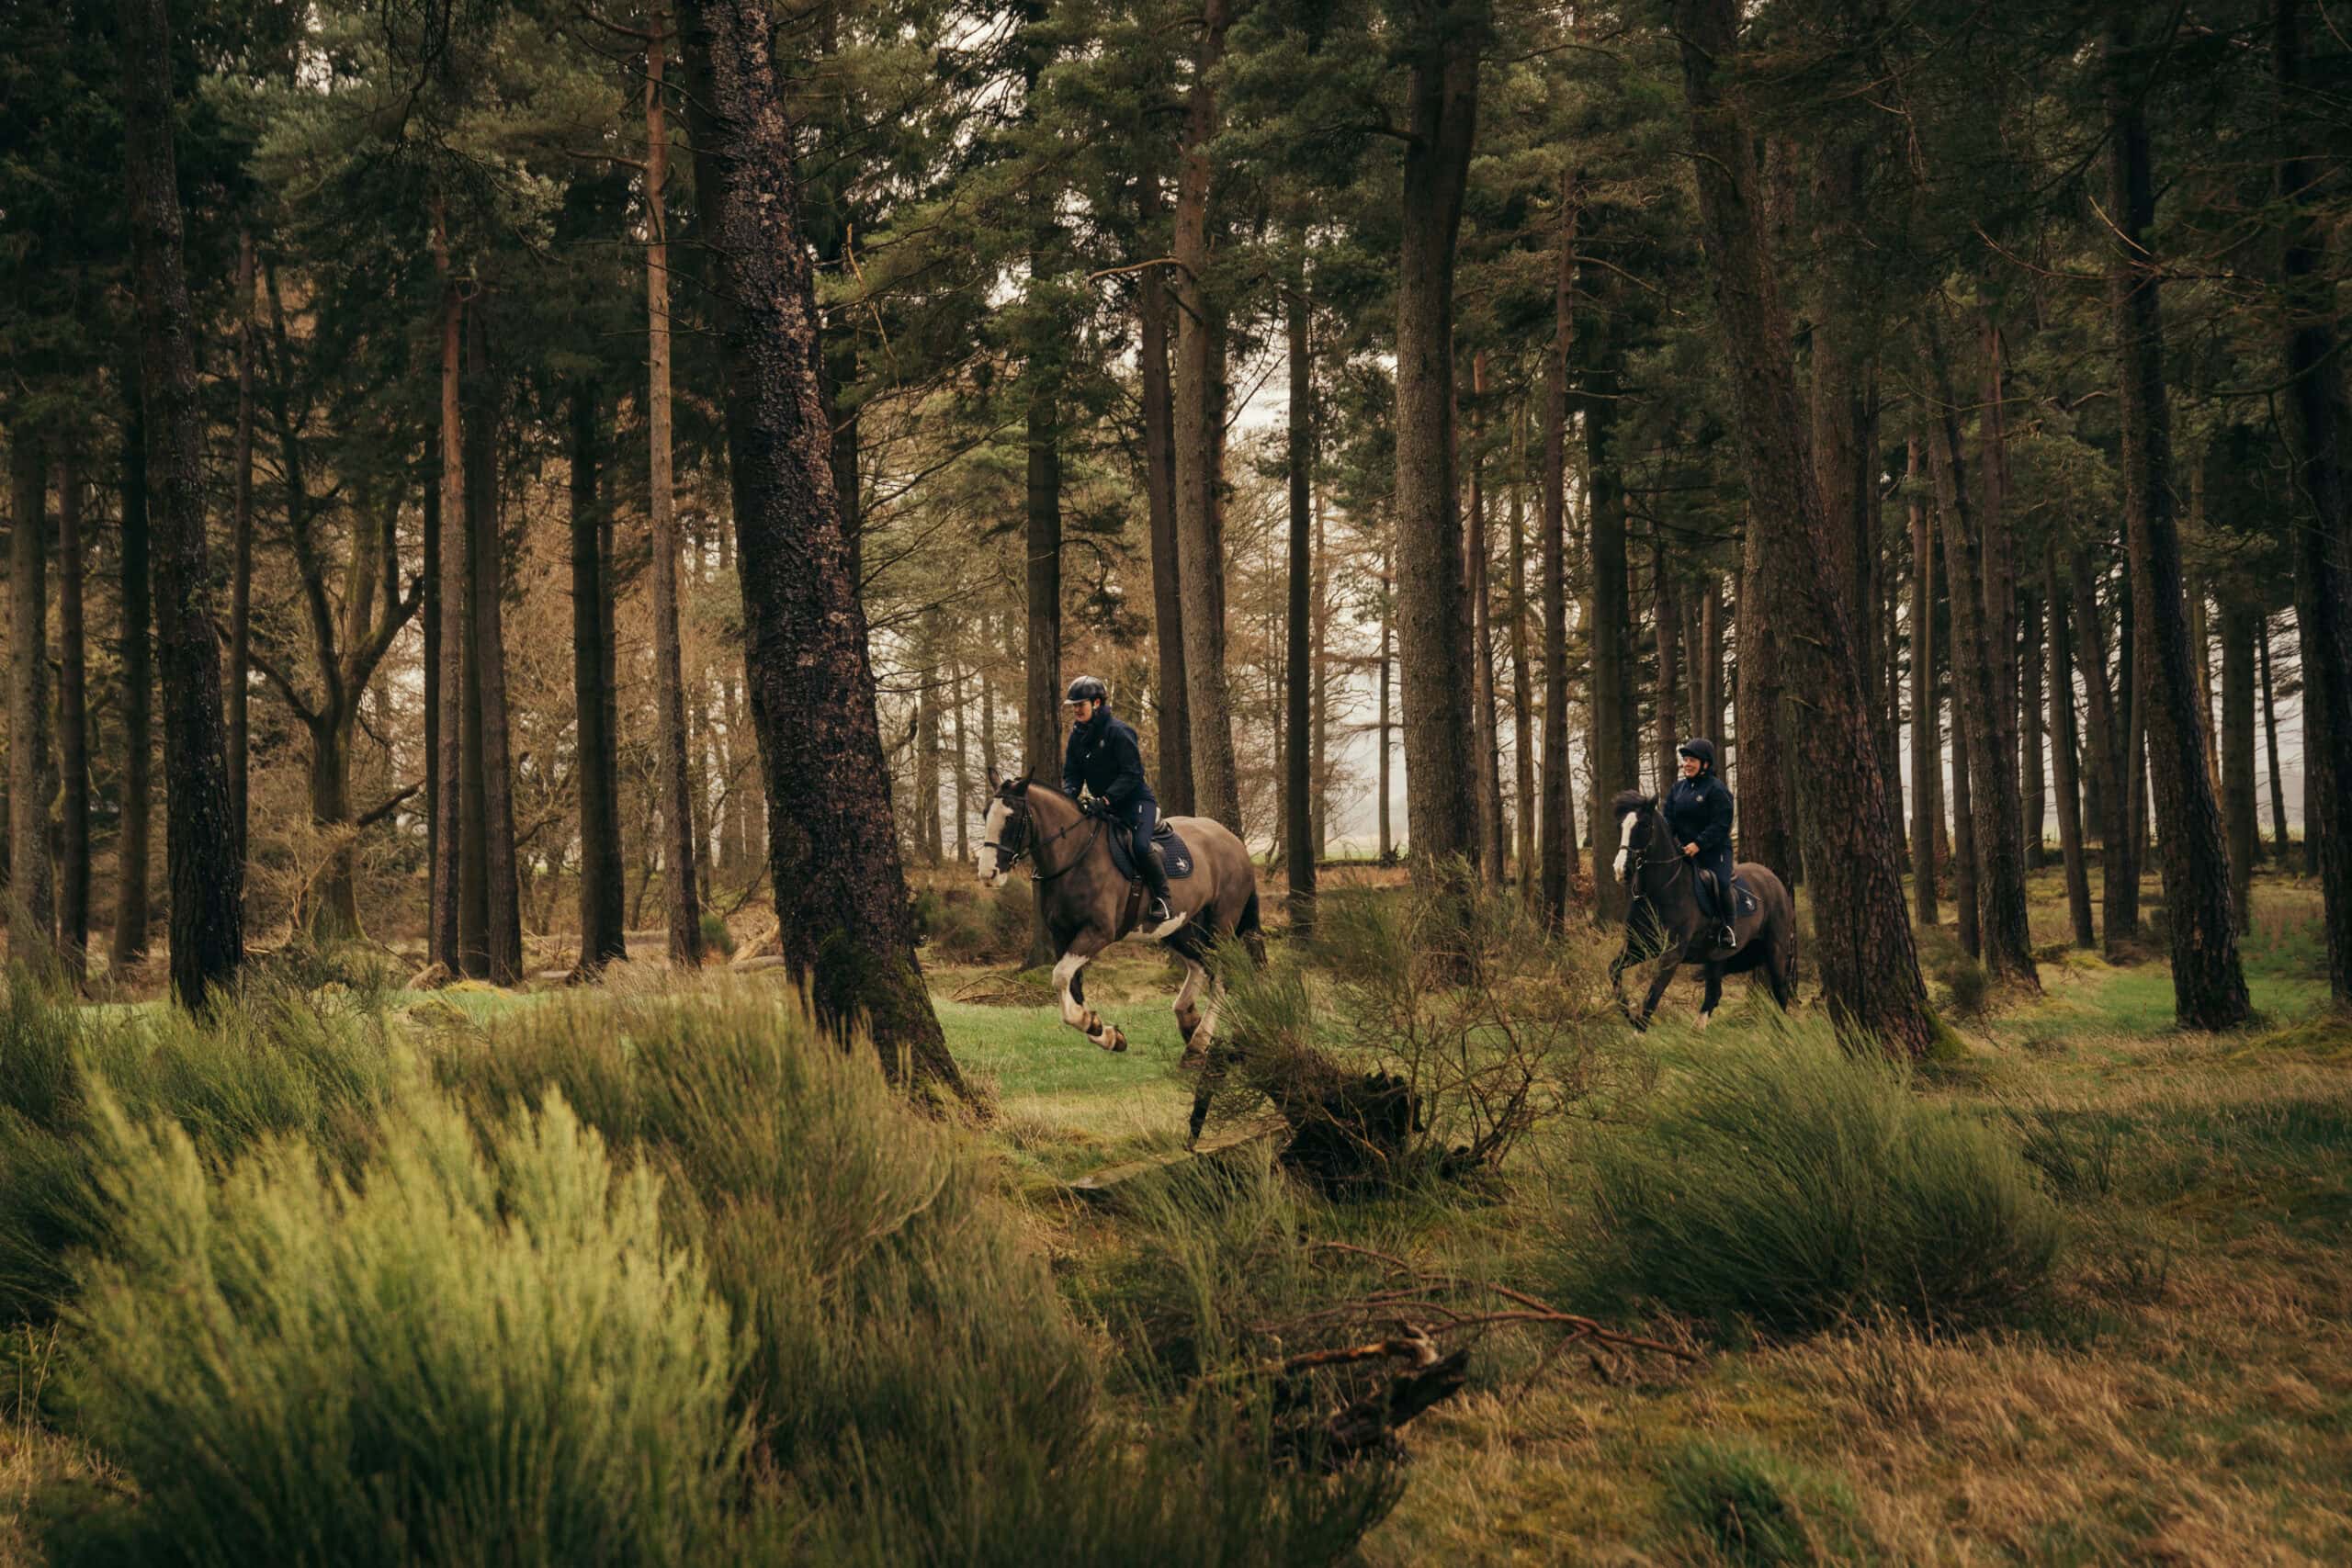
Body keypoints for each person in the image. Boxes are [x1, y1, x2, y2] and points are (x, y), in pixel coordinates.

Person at [1061, 675, 1182, 931]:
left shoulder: (1119, 731)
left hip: (1136, 803)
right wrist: (1070, 792)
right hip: (1104, 807)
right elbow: (1072, 772)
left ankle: (1164, 899)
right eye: (1073, 705)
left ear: (1096, 703)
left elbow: (1132, 774)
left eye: (1079, 704)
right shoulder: (1077, 736)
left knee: (1139, 845)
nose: (1075, 710)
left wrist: (1104, 799)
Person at [1664, 737, 1738, 952]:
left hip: (1715, 853)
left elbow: (1721, 824)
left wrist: (1699, 844)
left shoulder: (1717, 790)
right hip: (1684, 851)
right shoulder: (1677, 789)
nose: (1687, 764)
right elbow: (1668, 819)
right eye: (1685, 760)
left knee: (1722, 883)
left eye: (1692, 760)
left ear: (1705, 764)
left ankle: (1729, 929)